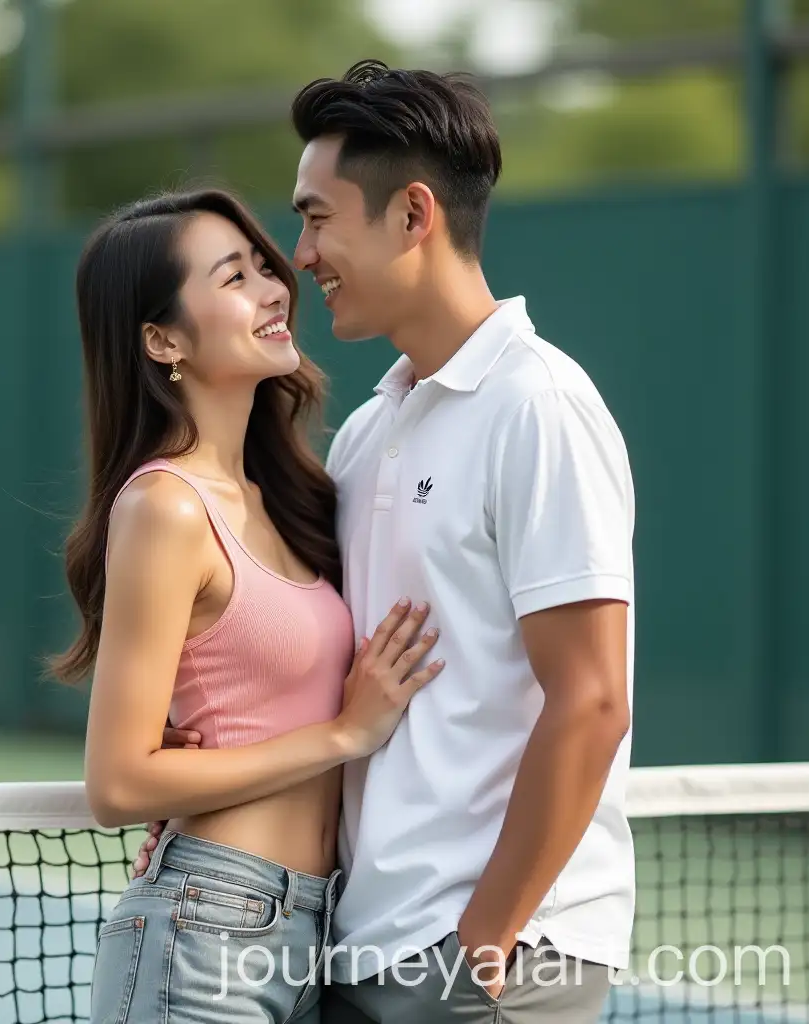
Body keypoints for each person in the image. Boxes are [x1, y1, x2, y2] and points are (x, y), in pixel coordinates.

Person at [139, 60, 637, 1023]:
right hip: (357, 946)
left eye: (318, 217)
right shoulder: (371, 430)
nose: (300, 252)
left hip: (488, 960)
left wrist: (482, 943)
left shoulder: (540, 406)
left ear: (413, 215)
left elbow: (593, 701)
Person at [50, 188, 446, 1024]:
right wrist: (341, 734)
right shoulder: (164, 508)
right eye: (235, 276)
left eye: (267, 266)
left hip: (320, 926)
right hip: (206, 931)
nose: (274, 288)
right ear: (162, 339)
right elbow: (118, 783)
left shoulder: (292, 497)